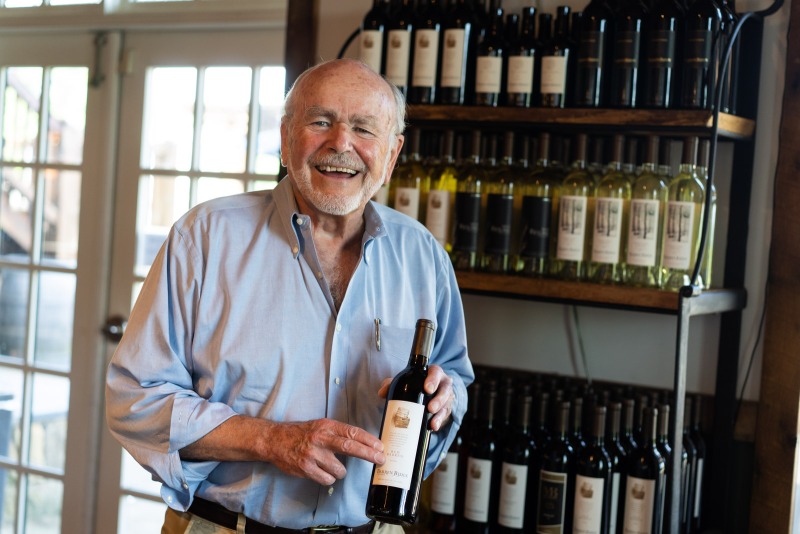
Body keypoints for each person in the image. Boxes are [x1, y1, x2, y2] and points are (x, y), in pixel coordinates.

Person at [105, 58, 474, 534]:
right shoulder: (205, 238)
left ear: (392, 153)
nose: (341, 143)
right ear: (284, 138)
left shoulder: (424, 256)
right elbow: (133, 399)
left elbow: (455, 382)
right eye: (321, 122)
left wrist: (446, 399)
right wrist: (269, 440)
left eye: (364, 128)